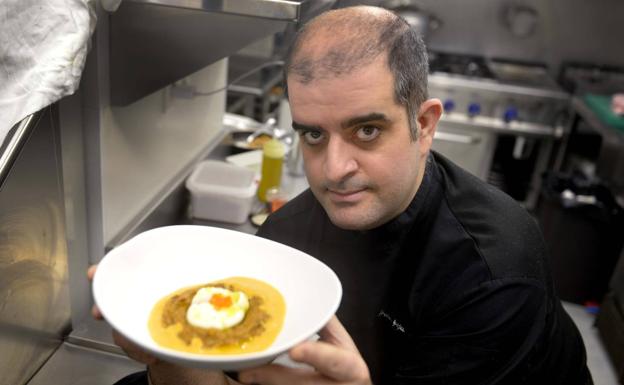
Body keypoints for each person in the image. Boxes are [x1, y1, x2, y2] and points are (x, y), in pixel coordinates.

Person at [96, 5, 592, 385]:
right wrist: (168, 360)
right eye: (313, 134)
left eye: (368, 131)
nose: (334, 170)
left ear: (424, 125)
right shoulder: (286, 238)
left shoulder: (492, 272)